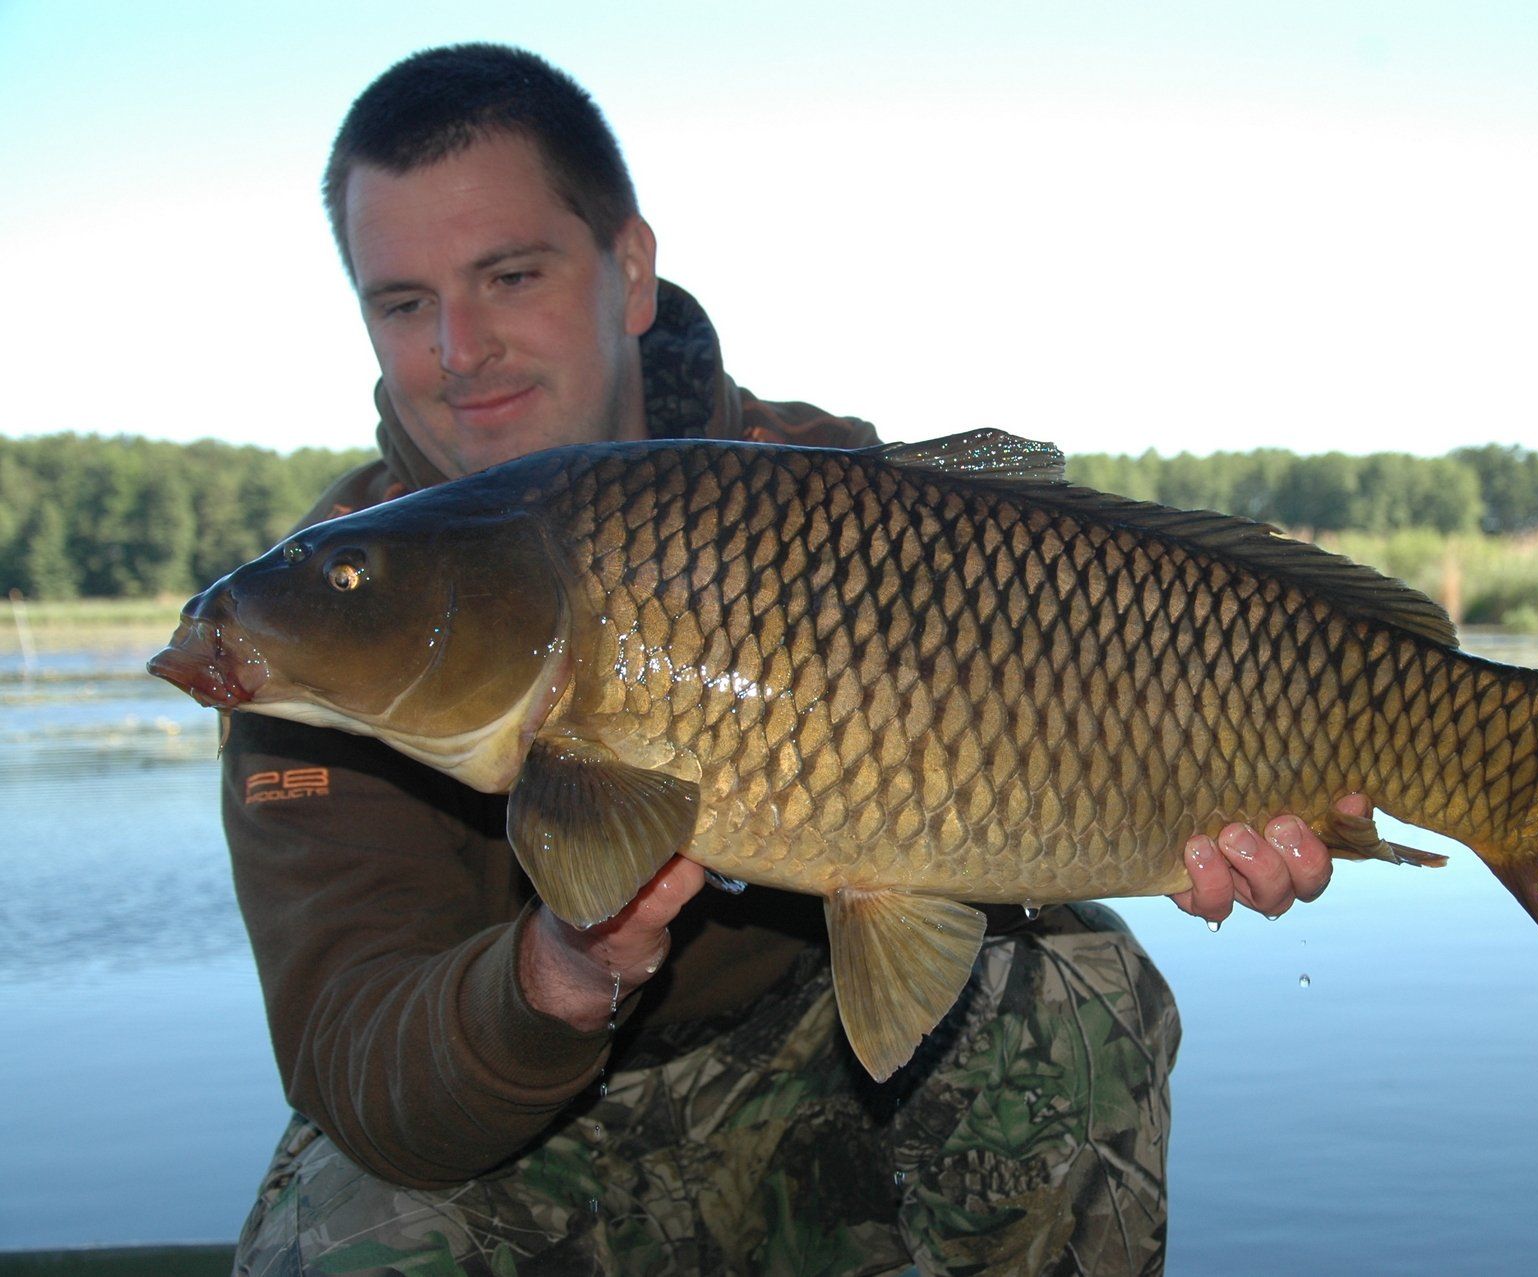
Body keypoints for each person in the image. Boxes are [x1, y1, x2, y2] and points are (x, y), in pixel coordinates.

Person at [226, 43, 1358, 1276]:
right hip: (536, 1129)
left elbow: (1078, 709)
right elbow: (356, 1059)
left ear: (630, 268)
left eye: (510, 274)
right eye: (403, 301)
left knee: (1074, 986)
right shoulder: (337, 610)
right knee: (338, 1235)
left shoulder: (827, 488)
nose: (460, 344)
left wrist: (1234, 797)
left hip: (833, 1076)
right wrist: (559, 970)